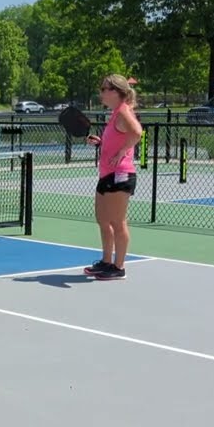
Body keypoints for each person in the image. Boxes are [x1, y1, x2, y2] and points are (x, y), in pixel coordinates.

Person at [83, 75, 142, 281]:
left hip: (120, 174)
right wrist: (101, 143)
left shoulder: (123, 111)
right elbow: (119, 138)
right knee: (103, 219)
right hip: (107, 174)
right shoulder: (115, 113)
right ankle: (107, 262)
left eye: (104, 88)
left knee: (118, 221)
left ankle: (119, 267)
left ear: (116, 92)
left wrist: (121, 153)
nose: (101, 92)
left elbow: (137, 133)